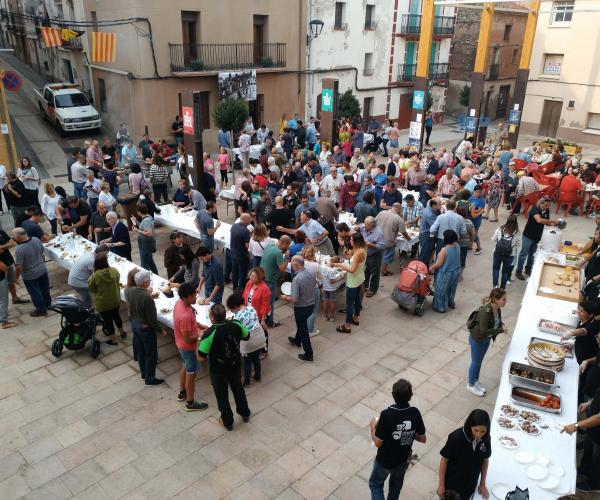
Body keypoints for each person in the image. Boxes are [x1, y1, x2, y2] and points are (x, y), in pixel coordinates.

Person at [369, 379, 426, 500]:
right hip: (402, 461)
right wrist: (408, 433)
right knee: (395, 488)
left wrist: (372, 427)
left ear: (393, 395)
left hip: (384, 461)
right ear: (410, 396)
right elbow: (422, 438)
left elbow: (378, 443)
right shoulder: (415, 412)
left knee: (375, 485)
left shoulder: (386, 414)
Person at [198, 303, 252, 430]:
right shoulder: (236, 324)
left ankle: (228, 422)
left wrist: (200, 339)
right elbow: (247, 336)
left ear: (211, 317)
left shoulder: (209, 334)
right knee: (238, 389)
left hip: (218, 370)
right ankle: (245, 413)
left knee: (222, 395)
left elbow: (201, 357)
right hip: (235, 364)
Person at [437, 409, 491, 500]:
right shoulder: (456, 437)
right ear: (470, 425)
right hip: (452, 488)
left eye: (483, 431)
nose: (479, 435)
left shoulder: (486, 439)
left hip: (470, 486)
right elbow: (444, 460)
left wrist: (482, 483)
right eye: (476, 430)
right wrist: (441, 485)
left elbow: (485, 460)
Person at [172, 283, 209, 411]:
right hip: (188, 348)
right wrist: (200, 334)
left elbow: (191, 323)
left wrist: (198, 325)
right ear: (186, 297)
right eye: (193, 296)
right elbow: (187, 338)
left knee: (185, 366)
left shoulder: (179, 303)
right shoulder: (185, 316)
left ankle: (182, 392)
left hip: (181, 346)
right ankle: (191, 402)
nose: (196, 297)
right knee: (191, 374)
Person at [125, 271, 165, 385]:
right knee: (150, 353)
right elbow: (152, 319)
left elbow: (134, 303)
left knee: (141, 351)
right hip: (145, 328)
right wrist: (161, 330)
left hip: (134, 324)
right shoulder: (147, 298)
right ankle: (150, 378)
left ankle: (143, 374)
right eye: (149, 280)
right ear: (145, 282)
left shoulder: (128, 290)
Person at [467, 288, 507, 396]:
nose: (505, 301)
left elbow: (495, 322)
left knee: (479, 361)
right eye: (503, 299)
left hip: (486, 339)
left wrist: (500, 325)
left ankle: (475, 381)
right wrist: (500, 330)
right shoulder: (486, 311)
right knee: (475, 362)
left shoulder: (497, 309)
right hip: (477, 339)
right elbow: (483, 330)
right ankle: (470, 385)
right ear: (495, 299)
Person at [281, 256, 317, 361]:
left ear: (296, 265)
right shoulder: (310, 274)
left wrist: (285, 297)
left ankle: (309, 354)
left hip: (301, 307)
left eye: (292, 264)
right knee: (302, 324)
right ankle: (297, 341)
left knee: (303, 329)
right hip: (310, 305)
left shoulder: (297, 279)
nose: (291, 266)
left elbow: (294, 298)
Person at [226, 292, 266, 387]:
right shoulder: (252, 308)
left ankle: (247, 382)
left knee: (247, 362)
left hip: (248, 341)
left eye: (231, 310)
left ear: (235, 307)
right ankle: (258, 376)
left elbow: (236, 331)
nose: (232, 311)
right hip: (259, 337)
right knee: (256, 358)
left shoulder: (237, 317)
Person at [515, 197, 559, 280]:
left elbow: (546, 222)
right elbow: (539, 220)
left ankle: (528, 270)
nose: (547, 207)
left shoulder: (546, 210)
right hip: (528, 235)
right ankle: (518, 271)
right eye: (546, 205)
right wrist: (554, 221)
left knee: (532, 255)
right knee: (523, 254)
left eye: (549, 206)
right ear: (541, 203)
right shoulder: (534, 209)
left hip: (537, 236)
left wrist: (555, 224)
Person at [12, 228, 51, 317]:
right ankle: (48, 304)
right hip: (42, 269)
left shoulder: (19, 249)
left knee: (35, 292)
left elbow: (19, 266)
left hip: (30, 274)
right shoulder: (36, 239)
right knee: (44, 288)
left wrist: (17, 277)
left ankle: (41, 310)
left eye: (13, 236)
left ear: (18, 237)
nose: (13, 238)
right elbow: (41, 252)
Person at [88, 254, 125, 345]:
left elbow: (91, 288)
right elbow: (118, 279)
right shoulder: (114, 271)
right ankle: (122, 333)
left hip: (103, 303)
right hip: (115, 299)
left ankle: (113, 340)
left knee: (108, 322)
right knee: (117, 316)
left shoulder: (95, 276)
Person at [333, 233, 367, 334]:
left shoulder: (358, 253)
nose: (350, 241)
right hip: (360, 277)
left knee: (349, 303)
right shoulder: (363, 249)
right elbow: (356, 262)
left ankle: (347, 326)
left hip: (353, 280)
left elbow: (352, 270)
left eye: (352, 240)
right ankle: (356, 318)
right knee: (357, 300)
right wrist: (349, 256)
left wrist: (338, 264)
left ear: (356, 241)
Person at [261, 236, 291, 328]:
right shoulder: (278, 252)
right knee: (270, 302)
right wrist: (287, 257)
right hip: (270, 280)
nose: (288, 247)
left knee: (263, 299)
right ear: (284, 243)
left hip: (262, 276)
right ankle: (269, 321)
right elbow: (282, 269)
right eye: (288, 245)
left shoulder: (270, 245)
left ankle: (262, 317)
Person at [429, 230, 461, 313]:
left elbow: (439, 263)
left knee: (441, 290)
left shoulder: (444, 250)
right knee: (452, 289)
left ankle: (440, 307)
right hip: (456, 272)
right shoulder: (457, 245)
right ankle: (450, 303)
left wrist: (432, 267)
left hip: (446, 273)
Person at [68, 245, 109, 309]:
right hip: (77, 282)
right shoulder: (92, 260)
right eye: (105, 255)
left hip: (74, 278)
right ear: (100, 252)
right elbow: (97, 274)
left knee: (88, 294)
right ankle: (88, 312)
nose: (105, 257)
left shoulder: (89, 253)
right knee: (87, 299)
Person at [377, 203, 410, 276]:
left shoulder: (381, 212)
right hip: (389, 240)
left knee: (379, 254)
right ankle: (384, 271)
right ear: (398, 209)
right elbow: (403, 232)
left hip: (378, 238)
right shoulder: (398, 218)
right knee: (387, 256)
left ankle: (378, 269)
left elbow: (375, 223)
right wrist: (408, 238)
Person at [491, 215, 521, 289]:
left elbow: (493, 239)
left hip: (497, 253)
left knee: (496, 269)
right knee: (505, 272)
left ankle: (495, 286)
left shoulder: (500, 229)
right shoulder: (517, 233)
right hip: (510, 255)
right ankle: (502, 288)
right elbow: (518, 245)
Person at [360, 216, 385, 297]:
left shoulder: (379, 233)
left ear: (372, 225)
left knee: (374, 273)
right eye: (364, 223)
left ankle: (373, 289)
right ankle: (365, 286)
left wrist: (371, 245)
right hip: (365, 253)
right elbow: (358, 228)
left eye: (366, 224)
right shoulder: (363, 227)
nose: (364, 226)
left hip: (375, 255)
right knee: (365, 270)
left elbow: (382, 246)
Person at [132, 203, 158, 274]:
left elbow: (149, 233)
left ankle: (147, 279)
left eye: (137, 211)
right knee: (150, 262)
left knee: (144, 265)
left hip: (146, 245)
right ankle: (156, 275)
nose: (137, 213)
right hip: (146, 244)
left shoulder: (146, 220)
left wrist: (137, 230)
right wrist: (136, 222)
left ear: (139, 212)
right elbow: (144, 227)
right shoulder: (147, 217)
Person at [230, 213, 252, 292]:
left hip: (233, 253)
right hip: (242, 255)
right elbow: (247, 246)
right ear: (245, 219)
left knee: (235, 271)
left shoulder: (234, 226)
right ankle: (241, 289)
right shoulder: (245, 231)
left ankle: (235, 288)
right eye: (249, 219)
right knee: (242, 273)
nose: (250, 220)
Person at [469, 185, 485, 254]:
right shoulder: (471, 198)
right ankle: (470, 246)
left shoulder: (482, 200)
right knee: (471, 233)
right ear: (474, 191)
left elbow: (478, 211)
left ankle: (479, 248)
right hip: (470, 218)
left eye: (480, 192)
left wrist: (472, 209)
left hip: (477, 220)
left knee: (475, 233)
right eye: (477, 192)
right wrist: (473, 209)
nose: (479, 193)